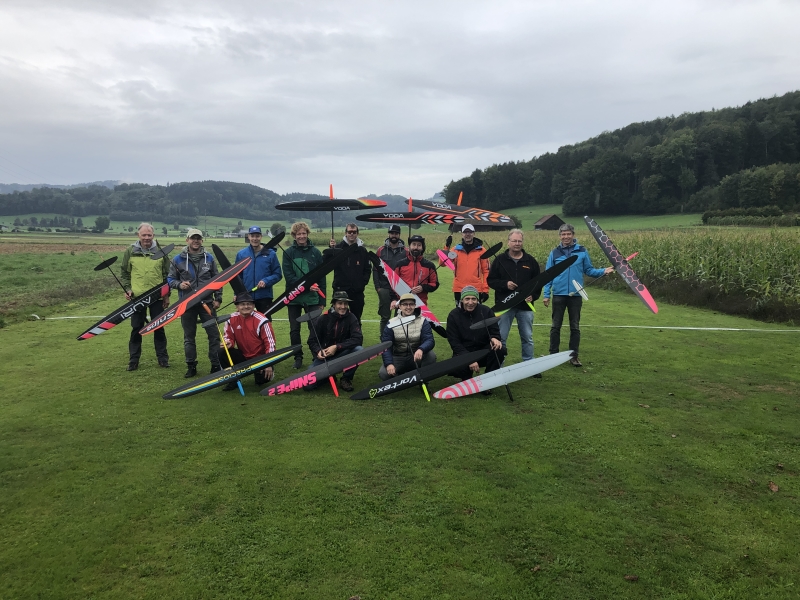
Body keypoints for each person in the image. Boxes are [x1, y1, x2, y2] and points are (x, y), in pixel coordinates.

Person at [542, 223, 614, 367]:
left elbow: (589, 270)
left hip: (576, 294)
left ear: (573, 235)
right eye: (563, 234)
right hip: (559, 294)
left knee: (574, 327)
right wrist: (546, 294)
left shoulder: (582, 251)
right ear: (560, 236)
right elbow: (548, 275)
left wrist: (603, 271)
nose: (566, 237)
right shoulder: (554, 253)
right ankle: (553, 355)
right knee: (556, 326)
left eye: (568, 234)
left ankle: (573, 356)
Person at [167, 228, 223, 378]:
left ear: (201, 240)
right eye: (193, 238)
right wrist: (180, 285)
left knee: (214, 335)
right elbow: (170, 279)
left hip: (207, 303)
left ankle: (216, 364)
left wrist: (218, 298)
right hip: (187, 304)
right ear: (187, 240)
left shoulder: (209, 258)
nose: (196, 241)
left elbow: (217, 279)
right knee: (189, 337)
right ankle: (191, 365)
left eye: (198, 238)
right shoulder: (178, 259)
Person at [120, 222, 171, 371]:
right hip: (137, 297)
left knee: (159, 327)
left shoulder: (161, 251)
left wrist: (166, 295)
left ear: (153, 235)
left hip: (157, 296)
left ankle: (163, 359)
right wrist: (128, 289)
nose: (147, 238)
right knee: (136, 328)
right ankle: (133, 361)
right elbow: (124, 273)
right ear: (139, 235)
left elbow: (167, 275)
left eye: (149, 235)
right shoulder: (130, 251)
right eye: (144, 235)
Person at [487, 228, 541, 368]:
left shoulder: (530, 261)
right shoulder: (499, 260)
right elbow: (491, 281)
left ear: (522, 242)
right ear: (508, 242)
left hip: (525, 307)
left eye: (519, 241)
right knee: (501, 337)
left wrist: (533, 296)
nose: (517, 243)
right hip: (505, 306)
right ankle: (498, 365)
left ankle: (529, 365)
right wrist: (505, 284)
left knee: (527, 337)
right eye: (514, 241)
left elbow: (538, 282)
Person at [445, 286, 507, 395]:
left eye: (473, 299)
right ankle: (466, 378)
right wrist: (469, 358)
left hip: (482, 350)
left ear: (477, 299)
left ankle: (488, 381)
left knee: (500, 350)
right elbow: (454, 342)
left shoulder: (486, 311)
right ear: (462, 300)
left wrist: (495, 338)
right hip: (464, 352)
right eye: (467, 299)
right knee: (465, 380)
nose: (470, 302)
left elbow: (494, 330)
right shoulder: (453, 315)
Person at [283, 221, 326, 370]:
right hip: (294, 297)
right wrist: (307, 286)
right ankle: (298, 357)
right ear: (294, 235)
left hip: (313, 298)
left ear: (307, 234)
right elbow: (289, 277)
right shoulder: (288, 253)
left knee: (314, 328)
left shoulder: (315, 252)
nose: (301, 236)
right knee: (294, 329)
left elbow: (321, 277)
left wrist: (322, 299)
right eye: (298, 234)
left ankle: (316, 355)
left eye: (303, 233)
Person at [306, 291, 364, 392]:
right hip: (325, 357)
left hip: (342, 353)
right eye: (340, 303)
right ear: (334, 304)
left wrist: (337, 347)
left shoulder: (352, 318)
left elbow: (358, 339)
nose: (343, 307)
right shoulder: (322, 319)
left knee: (359, 350)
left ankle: (346, 378)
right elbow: (311, 341)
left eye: (345, 303)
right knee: (308, 385)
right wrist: (318, 351)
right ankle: (327, 377)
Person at [219, 293, 277, 390]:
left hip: (260, 358)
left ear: (253, 305)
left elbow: (270, 344)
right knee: (222, 351)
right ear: (237, 306)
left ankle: (260, 373)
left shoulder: (262, 320)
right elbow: (228, 336)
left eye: (249, 304)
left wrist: (268, 364)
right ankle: (232, 380)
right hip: (243, 356)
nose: (246, 306)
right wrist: (228, 342)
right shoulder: (230, 319)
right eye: (242, 304)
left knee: (262, 380)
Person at [378, 293, 437, 380]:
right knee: (384, 373)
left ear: (415, 306)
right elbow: (386, 347)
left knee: (431, 356)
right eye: (405, 304)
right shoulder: (391, 322)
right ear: (399, 306)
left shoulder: (423, 321)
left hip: (416, 355)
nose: (408, 307)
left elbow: (429, 340)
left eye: (411, 304)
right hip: (398, 356)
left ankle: (423, 379)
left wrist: (421, 349)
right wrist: (389, 364)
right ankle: (400, 378)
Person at [235, 226, 282, 316]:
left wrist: (266, 281)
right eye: (252, 236)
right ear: (248, 237)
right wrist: (236, 293)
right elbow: (237, 277)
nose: (255, 239)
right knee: (247, 321)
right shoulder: (241, 254)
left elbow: (277, 274)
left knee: (265, 321)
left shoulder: (270, 254)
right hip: (247, 296)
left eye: (257, 236)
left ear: (261, 237)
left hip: (264, 296)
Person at [329, 223, 371, 321]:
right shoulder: (338, 248)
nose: (351, 234)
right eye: (349, 232)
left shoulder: (362, 250)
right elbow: (327, 263)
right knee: (338, 318)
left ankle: (356, 332)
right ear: (346, 233)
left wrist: (362, 283)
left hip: (357, 291)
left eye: (354, 232)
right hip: (340, 290)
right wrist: (331, 249)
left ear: (357, 233)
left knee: (356, 319)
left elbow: (367, 269)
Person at [373, 224, 406, 333]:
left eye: (396, 233)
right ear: (389, 234)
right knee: (385, 316)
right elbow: (375, 269)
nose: (394, 235)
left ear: (399, 235)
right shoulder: (381, 250)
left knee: (399, 315)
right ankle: (384, 340)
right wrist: (378, 287)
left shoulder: (406, 251)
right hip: (384, 287)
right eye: (392, 233)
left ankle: (396, 339)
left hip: (399, 288)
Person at [446, 224, 490, 304]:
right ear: (462, 234)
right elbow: (443, 263)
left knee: (476, 311)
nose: (467, 234)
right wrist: (447, 247)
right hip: (459, 288)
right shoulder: (455, 250)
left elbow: (486, 271)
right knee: (460, 311)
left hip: (476, 288)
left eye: (470, 232)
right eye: (465, 232)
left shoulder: (481, 250)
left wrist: (485, 290)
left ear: (474, 234)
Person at [393, 235, 439, 308]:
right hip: (402, 303)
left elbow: (434, 284)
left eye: (419, 245)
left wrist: (423, 287)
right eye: (414, 244)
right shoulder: (400, 264)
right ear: (409, 247)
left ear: (422, 247)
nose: (416, 247)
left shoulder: (429, 265)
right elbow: (393, 283)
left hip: (420, 304)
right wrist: (394, 299)